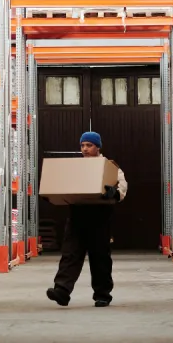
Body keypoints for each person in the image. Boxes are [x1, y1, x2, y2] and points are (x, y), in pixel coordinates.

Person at [47, 130, 128, 308]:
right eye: (83, 145)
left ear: (97, 147)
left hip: (100, 216)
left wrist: (115, 193)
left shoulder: (109, 166)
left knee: (100, 256)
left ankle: (102, 294)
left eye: (89, 145)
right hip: (78, 215)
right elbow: (62, 183)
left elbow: (121, 185)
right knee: (70, 254)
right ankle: (62, 290)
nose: (85, 149)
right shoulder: (76, 167)